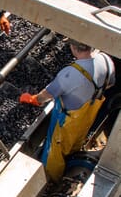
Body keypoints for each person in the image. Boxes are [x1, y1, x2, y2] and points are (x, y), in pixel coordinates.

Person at [19, 39, 116, 182]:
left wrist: (33, 99)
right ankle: (72, 155)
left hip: (68, 122)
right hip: (88, 114)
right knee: (76, 141)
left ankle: (52, 179)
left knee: (55, 153)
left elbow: (45, 96)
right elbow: (110, 83)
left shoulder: (69, 74)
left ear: (74, 48)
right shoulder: (105, 59)